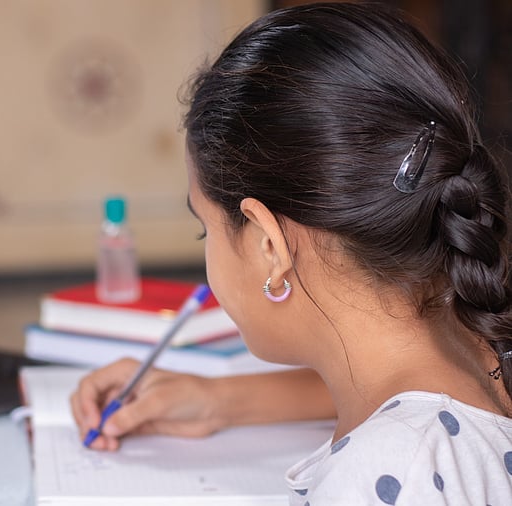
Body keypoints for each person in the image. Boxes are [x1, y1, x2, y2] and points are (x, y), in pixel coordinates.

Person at [70, 3, 512, 503]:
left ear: (268, 245)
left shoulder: (383, 474)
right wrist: (218, 400)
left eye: (206, 230)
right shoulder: (483, 338)